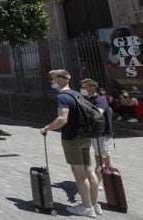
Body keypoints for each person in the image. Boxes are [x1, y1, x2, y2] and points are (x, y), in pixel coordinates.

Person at [40, 69, 100, 217]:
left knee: (79, 174)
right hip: (86, 136)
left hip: (73, 138)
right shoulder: (76, 94)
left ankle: (86, 208)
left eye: (53, 80)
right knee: (89, 171)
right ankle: (95, 204)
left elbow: (62, 119)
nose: (52, 83)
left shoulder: (63, 97)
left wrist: (46, 128)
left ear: (61, 80)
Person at [80, 78, 114, 192]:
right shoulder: (88, 100)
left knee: (99, 161)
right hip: (97, 134)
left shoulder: (100, 100)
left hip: (102, 135)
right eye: (82, 87)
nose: (83, 89)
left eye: (85, 87)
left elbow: (97, 113)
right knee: (106, 158)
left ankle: (96, 184)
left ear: (93, 87)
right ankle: (112, 179)